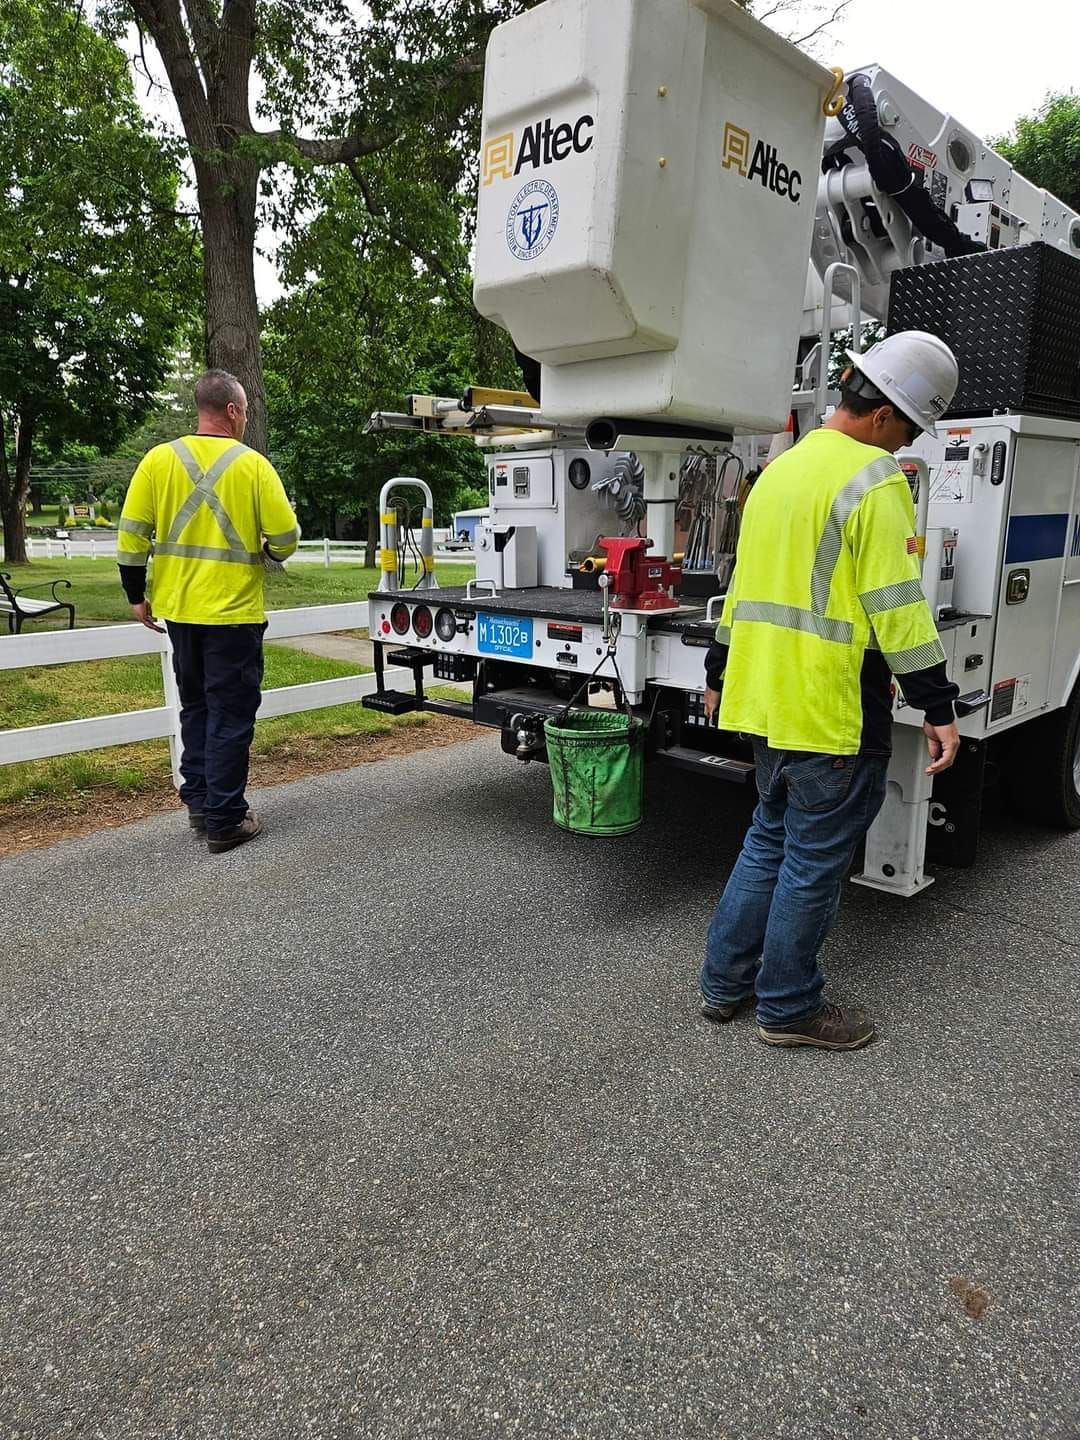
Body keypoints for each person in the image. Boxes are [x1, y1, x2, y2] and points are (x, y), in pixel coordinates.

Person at [700, 331, 961, 1051]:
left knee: (767, 843)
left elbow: (738, 592)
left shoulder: (777, 473)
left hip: (765, 701)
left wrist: (719, 674)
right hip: (830, 710)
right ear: (884, 415)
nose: (905, 446)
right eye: (909, 430)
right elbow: (898, 609)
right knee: (812, 862)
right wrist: (939, 708)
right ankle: (787, 1009)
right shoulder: (874, 480)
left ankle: (725, 985)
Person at [116, 370, 299, 853]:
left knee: (195, 708)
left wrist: (136, 594)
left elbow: (131, 536)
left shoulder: (158, 460)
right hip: (233, 614)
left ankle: (199, 802)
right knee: (231, 714)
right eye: (246, 411)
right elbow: (286, 539)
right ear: (234, 411)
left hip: (180, 613)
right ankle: (224, 819)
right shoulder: (253, 466)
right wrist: (269, 551)